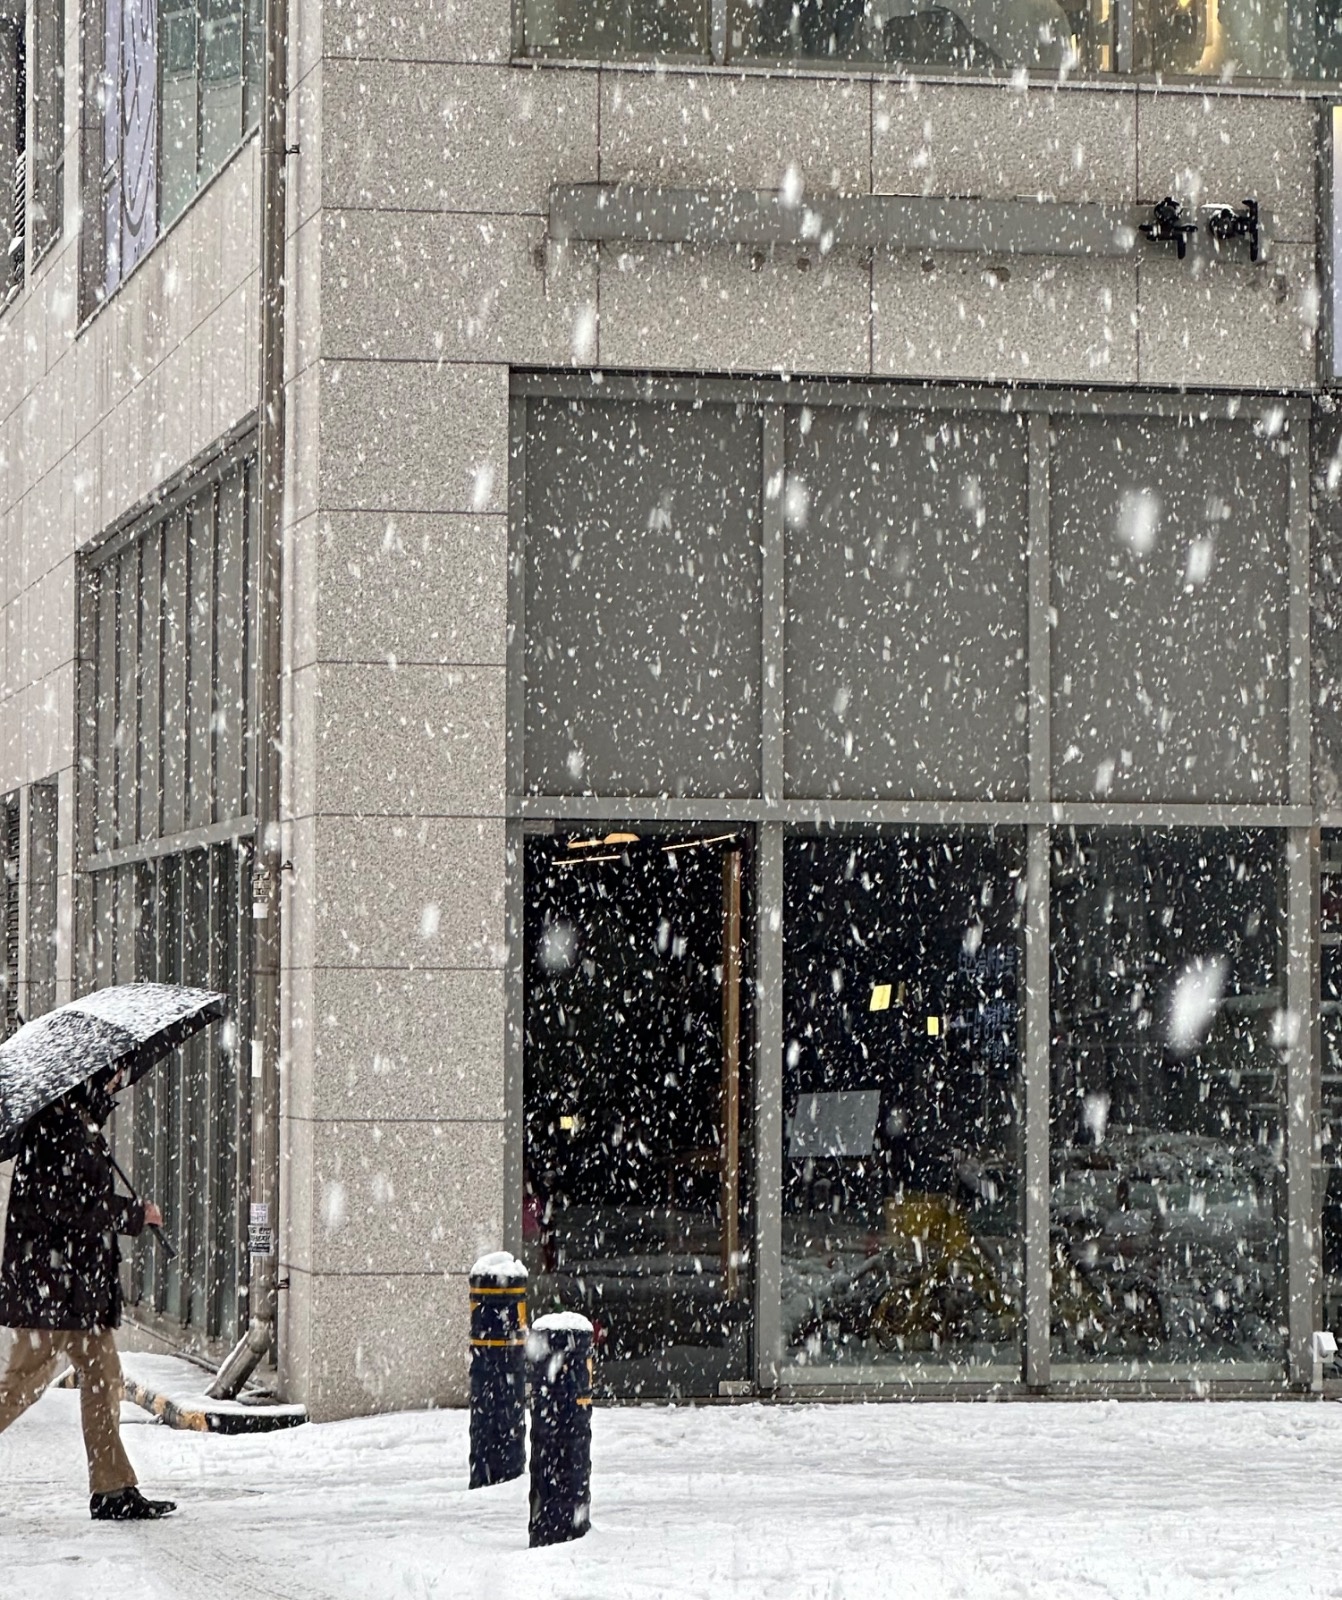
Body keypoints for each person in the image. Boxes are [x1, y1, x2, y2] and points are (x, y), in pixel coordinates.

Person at [0, 1067, 176, 1520]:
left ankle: (113, 1488)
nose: (121, 1079)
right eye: (116, 1073)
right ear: (92, 1076)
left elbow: (80, 1200)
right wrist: (134, 1214)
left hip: (79, 1290)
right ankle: (112, 1486)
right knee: (20, 1385)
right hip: (52, 1287)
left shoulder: (77, 1120)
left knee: (103, 1378)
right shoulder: (56, 1124)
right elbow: (70, 1206)